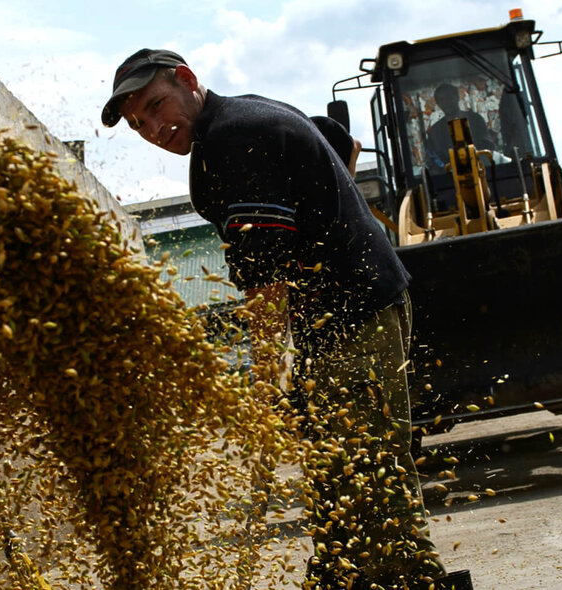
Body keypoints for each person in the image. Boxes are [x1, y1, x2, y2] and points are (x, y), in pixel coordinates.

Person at [101, 48, 471, 590]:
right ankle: (340, 577)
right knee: (335, 468)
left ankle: (415, 582)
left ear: (187, 80)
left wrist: (266, 378)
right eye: (138, 124)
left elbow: (264, 269)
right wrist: (329, 223)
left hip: (355, 314)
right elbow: (340, 144)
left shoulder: (230, 139)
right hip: (345, 311)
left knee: (367, 468)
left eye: (157, 105)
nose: (154, 127)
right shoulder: (241, 117)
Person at [425, 83, 497, 170]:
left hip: (480, 170)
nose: (446, 102)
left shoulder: (475, 119)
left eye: (449, 98)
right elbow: (433, 158)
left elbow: (488, 146)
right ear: (438, 103)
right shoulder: (435, 131)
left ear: (457, 97)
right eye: (441, 100)